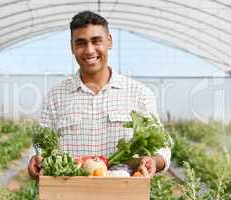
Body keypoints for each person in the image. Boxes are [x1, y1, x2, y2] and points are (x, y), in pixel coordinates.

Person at [28, 10, 171, 179]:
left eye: (96, 41)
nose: (89, 50)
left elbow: (162, 147)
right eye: (81, 43)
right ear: (72, 47)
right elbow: (40, 148)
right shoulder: (56, 97)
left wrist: (154, 160)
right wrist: (35, 161)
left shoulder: (139, 94)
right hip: (69, 192)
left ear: (109, 41)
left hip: (123, 192)